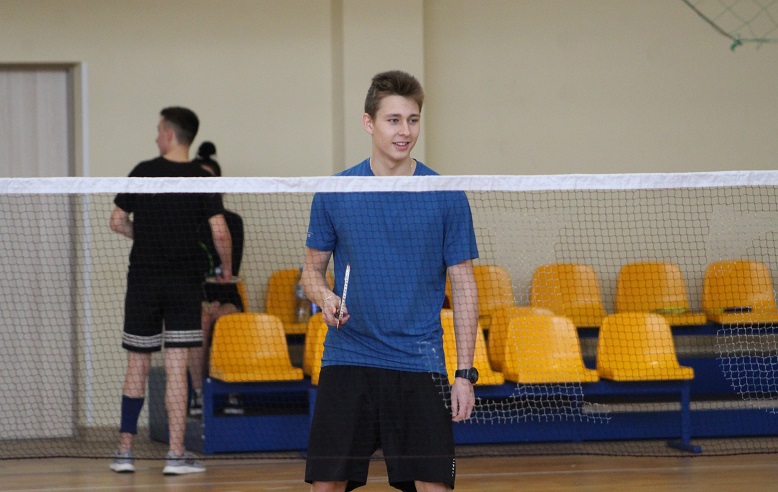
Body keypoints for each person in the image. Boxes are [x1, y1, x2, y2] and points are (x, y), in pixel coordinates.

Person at [302, 71, 480, 492]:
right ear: (369, 123)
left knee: (433, 486)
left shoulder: (446, 194)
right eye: (394, 120)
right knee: (325, 485)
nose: (405, 131)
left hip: (419, 361)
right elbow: (310, 272)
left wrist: (465, 374)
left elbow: (464, 286)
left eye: (413, 120)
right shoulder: (336, 191)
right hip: (349, 357)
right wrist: (325, 296)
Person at [109, 107, 232, 475]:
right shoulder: (201, 178)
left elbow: (116, 221)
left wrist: (145, 237)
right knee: (177, 368)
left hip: (143, 282)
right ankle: (176, 455)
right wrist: (226, 270)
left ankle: (124, 452)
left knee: (137, 365)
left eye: (158, 129)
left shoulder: (142, 171)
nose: (156, 136)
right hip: (183, 283)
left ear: (169, 133)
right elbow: (220, 231)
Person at [187, 141, 246, 416]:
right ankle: (198, 395)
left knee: (227, 319)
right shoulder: (184, 222)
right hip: (193, 296)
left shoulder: (233, 222)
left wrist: (217, 301)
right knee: (200, 319)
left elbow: (231, 268)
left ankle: (232, 392)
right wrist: (203, 302)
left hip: (226, 295)